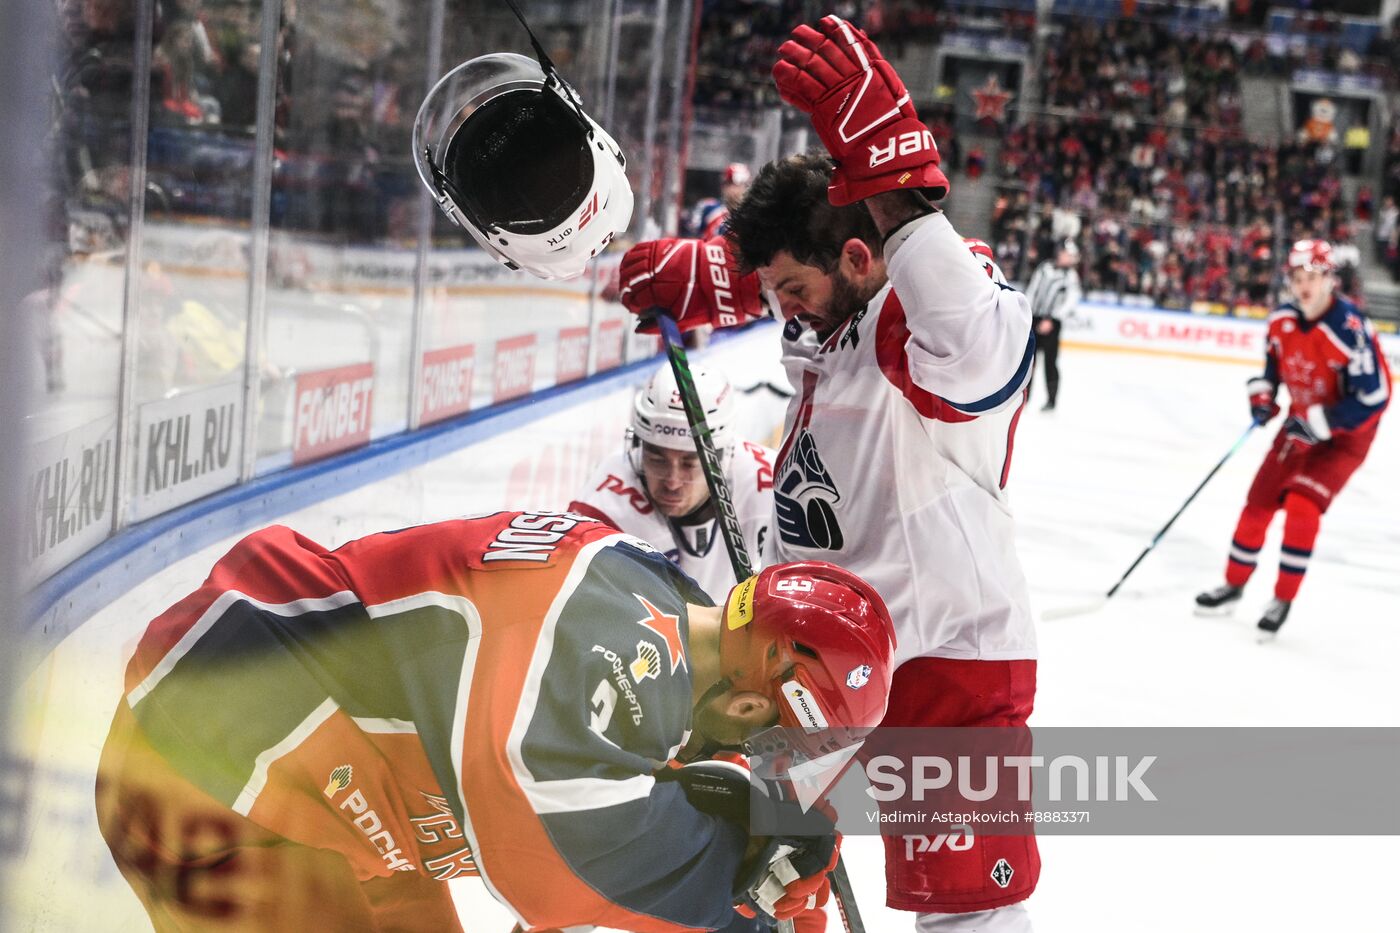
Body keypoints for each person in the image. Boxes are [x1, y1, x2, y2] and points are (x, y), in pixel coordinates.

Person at [618, 16, 1039, 932]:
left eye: (792, 293)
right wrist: (728, 277)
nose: (787, 317)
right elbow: (811, 290)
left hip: (946, 661)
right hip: (816, 650)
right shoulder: (836, 320)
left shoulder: (917, 310)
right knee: (727, 837)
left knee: (967, 911)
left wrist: (902, 201)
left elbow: (981, 348)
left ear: (859, 257)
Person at [96, 509, 897, 931]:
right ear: (757, 701)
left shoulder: (645, 594)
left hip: (311, 785)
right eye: (768, 745)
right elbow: (554, 866)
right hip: (215, 758)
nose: (756, 761)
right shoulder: (603, 661)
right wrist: (736, 892)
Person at [1196, 240, 1391, 634]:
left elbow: (1375, 396)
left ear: (1329, 279)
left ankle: (1282, 597)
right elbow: (1271, 371)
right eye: (1298, 277)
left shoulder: (1350, 328)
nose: (1305, 285)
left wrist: (1323, 421)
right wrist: (1263, 396)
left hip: (1345, 437)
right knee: (1258, 503)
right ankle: (1234, 584)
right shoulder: (1280, 321)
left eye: (1314, 276)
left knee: (1302, 506)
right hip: (1298, 424)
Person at [569, 363, 777, 601]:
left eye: (689, 464)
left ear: (723, 458)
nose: (672, 482)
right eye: (657, 459)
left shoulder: (771, 485)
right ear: (638, 447)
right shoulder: (605, 505)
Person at [1023, 239, 1082, 412]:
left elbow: (1071, 301)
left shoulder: (1071, 276)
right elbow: (1032, 290)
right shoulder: (1044, 268)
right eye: (1067, 254)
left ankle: (1051, 400)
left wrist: (1053, 319)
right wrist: (1027, 312)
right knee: (1028, 361)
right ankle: (1024, 397)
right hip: (1034, 318)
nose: (1069, 258)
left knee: (1050, 362)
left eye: (1071, 256)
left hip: (1053, 323)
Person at [686, 161, 753, 239]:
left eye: (743, 185)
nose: (738, 190)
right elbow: (692, 237)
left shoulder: (753, 215)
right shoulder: (708, 208)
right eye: (732, 184)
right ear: (724, 186)